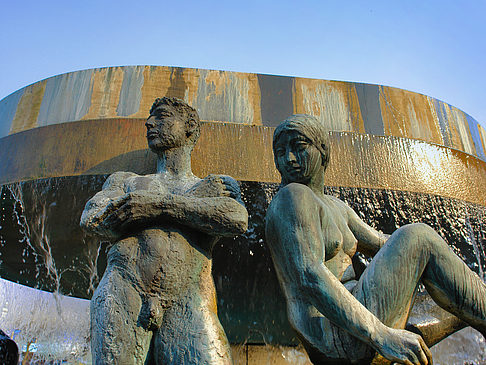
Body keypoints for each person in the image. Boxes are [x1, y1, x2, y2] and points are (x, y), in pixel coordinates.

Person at [265, 114, 486, 365]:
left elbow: (386, 244)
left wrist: (445, 263)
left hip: (357, 319)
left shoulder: (336, 207)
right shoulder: (292, 197)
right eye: (281, 151)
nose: (288, 159)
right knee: (419, 236)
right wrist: (382, 335)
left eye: (299, 147)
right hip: (335, 332)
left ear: (322, 149)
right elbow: (310, 276)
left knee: (460, 302)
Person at [80, 97, 248, 364]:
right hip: (123, 290)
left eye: (161, 116)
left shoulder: (213, 185)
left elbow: (237, 219)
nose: (149, 123)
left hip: (187, 296)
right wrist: (192, 202)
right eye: (151, 117)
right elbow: (92, 219)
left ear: (189, 126)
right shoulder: (126, 181)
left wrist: (158, 206)